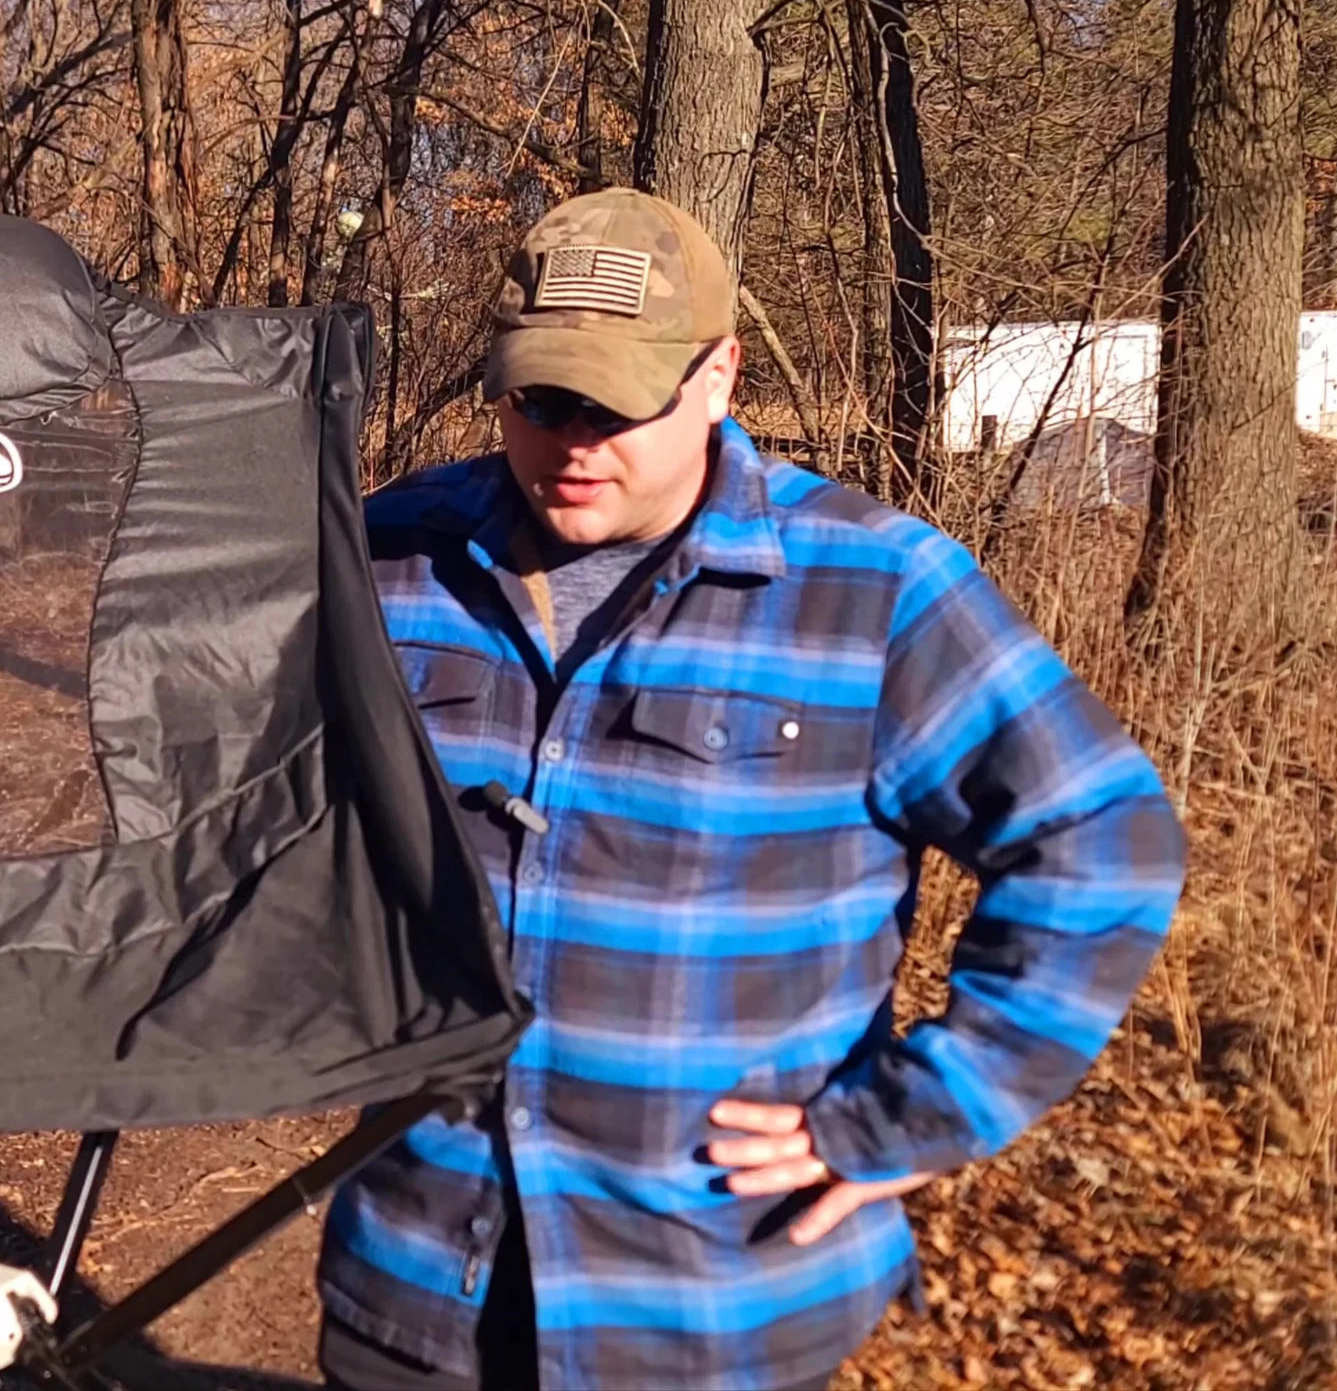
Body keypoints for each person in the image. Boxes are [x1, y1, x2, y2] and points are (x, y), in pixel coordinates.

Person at [315, 188, 1187, 1390]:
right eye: (538, 399)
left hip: (711, 1304)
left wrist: (920, 1112)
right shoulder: (387, 555)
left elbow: (1105, 839)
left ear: (719, 374)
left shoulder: (872, 589)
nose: (573, 442)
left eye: (617, 402)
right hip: (412, 1284)